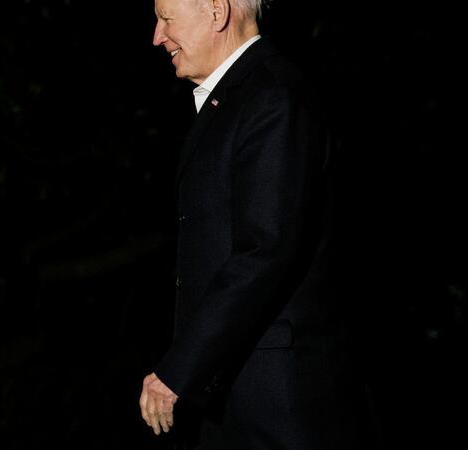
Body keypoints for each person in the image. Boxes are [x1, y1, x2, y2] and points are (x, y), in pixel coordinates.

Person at [139, 1, 379, 448]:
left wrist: (180, 368)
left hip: (280, 405)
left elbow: (265, 250)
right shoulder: (239, 96)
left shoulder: (273, 97)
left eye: (166, 18)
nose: (157, 36)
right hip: (237, 397)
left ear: (217, 12)